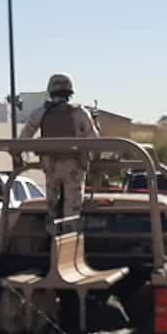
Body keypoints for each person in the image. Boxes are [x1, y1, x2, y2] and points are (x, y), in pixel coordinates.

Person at [18, 73, 98, 233]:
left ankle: (52, 239)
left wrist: (18, 154)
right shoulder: (80, 112)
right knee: (72, 209)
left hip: (51, 166)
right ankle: (69, 238)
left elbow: (24, 137)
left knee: (52, 208)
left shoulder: (41, 112)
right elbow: (94, 139)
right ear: (70, 92)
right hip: (73, 167)